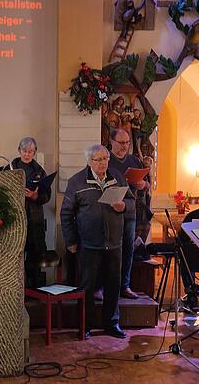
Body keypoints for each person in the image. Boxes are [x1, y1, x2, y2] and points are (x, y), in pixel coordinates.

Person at [61, 144, 134, 339]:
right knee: (87, 287)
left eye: (106, 158)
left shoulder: (117, 177)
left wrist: (123, 206)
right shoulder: (77, 182)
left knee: (113, 285)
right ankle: (85, 325)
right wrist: (71, 241)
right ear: (89, 161)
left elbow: (132, 203)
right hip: (88, 244)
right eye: (98, 159)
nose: (103, 163)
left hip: (114, 243)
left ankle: (112, 324)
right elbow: (66, 213)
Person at [108, 129, 151, 299]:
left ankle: (124, 286)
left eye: (127, 143)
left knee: (128, 250)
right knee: (110, 251)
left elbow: (146, 184)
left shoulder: (134, 160)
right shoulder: (105, 159)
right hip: (110, 212)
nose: (125, 146)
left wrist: (142, 185)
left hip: (130, 212)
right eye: (121, 142)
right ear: (112, 142)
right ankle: (106, 287)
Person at [10, 137, 51, 288]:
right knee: (15, 256)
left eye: (30, 152)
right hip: (14, 219)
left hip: (34, 219)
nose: (27, 154)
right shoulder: (10, 168)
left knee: (34, 257)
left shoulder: (39, 171)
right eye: (24, 151)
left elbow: (46, 196)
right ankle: (16, 290)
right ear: (19, 151)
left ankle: (33, 290)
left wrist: (35, 196)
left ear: (34, 152)